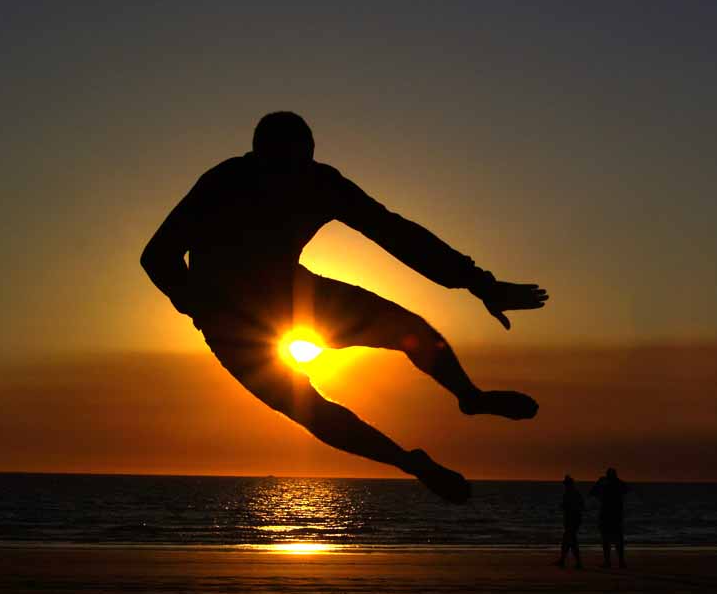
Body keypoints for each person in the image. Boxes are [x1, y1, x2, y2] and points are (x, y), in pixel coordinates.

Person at [141, 112, 549, 503]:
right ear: (259, 156)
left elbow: (395, 233)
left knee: (409, 328)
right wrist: (200, 306)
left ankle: (470, 397)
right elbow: (158, 255)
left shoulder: (320, 182)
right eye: (282, 165)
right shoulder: (224, 181)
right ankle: (411, 462)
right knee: (310, 408)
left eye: (301, 163)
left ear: (311, 155)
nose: (291, 177)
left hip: (294, 296)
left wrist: (481, 283)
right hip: (230, 322)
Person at [589, 467, 628, 567]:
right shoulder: (619, 485)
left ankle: (609, 562)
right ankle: (621, 562)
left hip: (606, 515)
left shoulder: (605, 485)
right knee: (617, 539)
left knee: (607, 539)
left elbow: (592, 492)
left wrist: (599, 482)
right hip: (616, 515)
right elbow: (627, 489)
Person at [556, 474, 583, 569]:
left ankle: (576, 562)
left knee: (570, 540)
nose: (565, 486)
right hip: (574, 519)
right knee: (568, 540)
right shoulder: (575, 493)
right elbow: (582, 505)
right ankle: (563, 560)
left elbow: (567, 506)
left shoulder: (570, 494)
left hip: (572, 520)